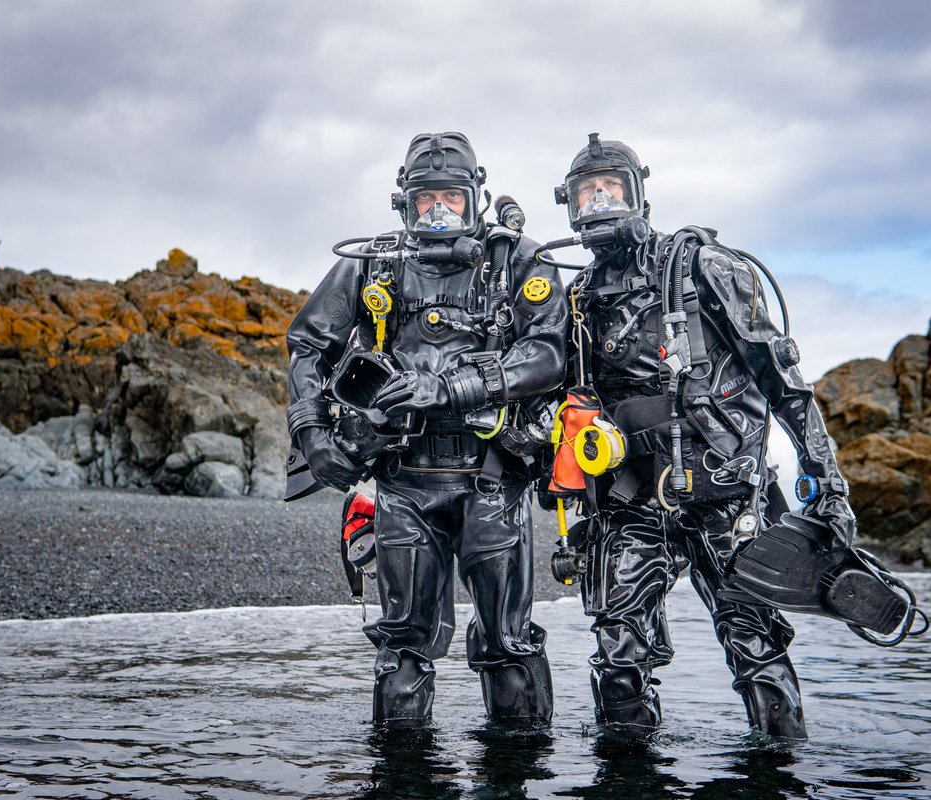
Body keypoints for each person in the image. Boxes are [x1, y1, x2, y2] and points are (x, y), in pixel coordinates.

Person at [544, 133, 861, 738]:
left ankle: (779, 771)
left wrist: (828, 483)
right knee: (617, 653)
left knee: (754, 644)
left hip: (724, 494)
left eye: (613, 187)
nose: (601, 202)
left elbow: (784, 383)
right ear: (570, 206)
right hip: (629, 498)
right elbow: (566, 411)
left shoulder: (703, 270)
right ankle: (628, 779)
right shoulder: (580, 300)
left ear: (640, 195)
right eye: (588, 193)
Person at [285, 132, 567, 728]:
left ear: (476, 197)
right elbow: (308, 343)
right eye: (426, 200)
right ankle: (403, 776)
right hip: (403, 482)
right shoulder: (373, 265)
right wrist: (311, 433)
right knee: (403, 650)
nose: (439, 212)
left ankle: (517, 773)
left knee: (507, 646)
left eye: (452, 199)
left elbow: (547, 354)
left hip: (493, 478)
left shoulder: (518, 260)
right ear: (404, 204)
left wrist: (453, 387)